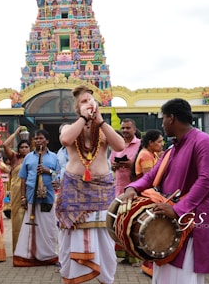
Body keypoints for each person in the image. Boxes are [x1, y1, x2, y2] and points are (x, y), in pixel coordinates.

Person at [120, 98, 209, 283]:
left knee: (183, 276)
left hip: (190, 223)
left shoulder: (203, 141)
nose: (162, 123)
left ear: (172, 118)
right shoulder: (173, 148)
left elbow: (208, 181)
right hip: (168, 221)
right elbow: (151, 176)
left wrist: (178, 209)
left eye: (163, 118)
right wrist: (132, 187)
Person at [55, 85, 125, 283]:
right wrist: (84, 119)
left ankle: (105, 278)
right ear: (77, 108)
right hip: (74, 190)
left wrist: (100, 121)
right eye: (83, 102)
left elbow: (120, 146)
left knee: (104, 235)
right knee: (72, 235)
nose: (89, 104)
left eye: (91, 100)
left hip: (101, 191)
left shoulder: (103, 129)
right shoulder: (71, 128)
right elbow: (66, 139)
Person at [13, 129, 60, 267]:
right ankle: (30, 256)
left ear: (47, 141)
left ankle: (49, 256)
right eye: (36, 138)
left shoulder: (54, 157)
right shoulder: (28, 157)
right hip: (31, 197)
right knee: (31, 228)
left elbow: (58, 174)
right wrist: (23, 197)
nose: (38, 141)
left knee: (48, 228)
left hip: (48, 197)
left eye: (40, 138)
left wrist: (48, 171)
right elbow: (23, 179)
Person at [129, 129, 163, 277]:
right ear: (150, 143)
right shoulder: (145, 155)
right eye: (159, 142)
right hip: (147, 194)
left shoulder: (152, 154)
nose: (162, 144)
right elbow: (151, 179)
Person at [108, 118, 140, 264]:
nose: (125, 130)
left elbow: (143, 164)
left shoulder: (140, 145)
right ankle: (124, 254)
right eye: (123, 128)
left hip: (134, 189)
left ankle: (135, 255)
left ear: (134, 129)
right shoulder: (117, 145)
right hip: (119, 187)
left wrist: (130, 164)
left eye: (128, 128)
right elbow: (111, 162)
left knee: (132, 221)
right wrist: (115, 166)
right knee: (119, 221)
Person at [2, 126, 31, 252]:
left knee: (30, 219)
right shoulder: (15, 158)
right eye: (21, 147)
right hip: (17, 191)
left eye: (26, 147)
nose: (24, 149)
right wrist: (15, 132)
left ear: (30, 148)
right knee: (18, 219)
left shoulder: (34, 158)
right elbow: (4, 145)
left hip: (30, 191)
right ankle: (18, 250)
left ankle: (30, 250)